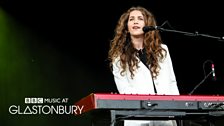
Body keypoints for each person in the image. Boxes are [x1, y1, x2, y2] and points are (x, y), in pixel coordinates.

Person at [108, 6, 180, 126]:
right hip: (138, 118)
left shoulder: (162, 51)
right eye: (131, 19)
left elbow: (172, 83)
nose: (135, 21)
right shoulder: (119, 57)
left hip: (166, 117)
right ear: (126, 27)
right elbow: (125, 90)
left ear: (147, 24)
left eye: (140, 18)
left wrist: (176, 108)